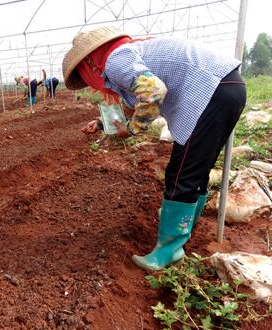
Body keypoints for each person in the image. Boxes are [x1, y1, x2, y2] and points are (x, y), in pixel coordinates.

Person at [62, 27, 246, 271]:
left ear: (89, 62)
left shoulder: (115, 60)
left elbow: (153, 91)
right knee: (195, 167)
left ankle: (169, 249)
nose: (86, 81)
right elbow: (135, 102)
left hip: (211, 92)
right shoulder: (127, 55)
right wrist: (100, 123)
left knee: (181, 173)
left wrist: (133, 129)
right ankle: (184, 225)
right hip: (225, 87)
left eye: (82, 74)